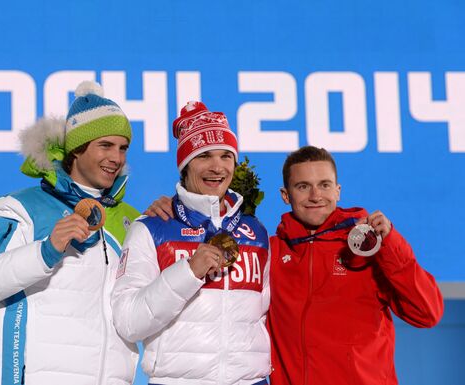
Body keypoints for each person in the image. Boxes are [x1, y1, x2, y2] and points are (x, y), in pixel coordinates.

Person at [0, 81, 140, 385]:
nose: (117, 158)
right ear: (76, 150)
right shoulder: (20, 207)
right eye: (105, 146)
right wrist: (46, 250)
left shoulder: (130, 220)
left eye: (123, 148)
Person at [111, 101, 271, 385]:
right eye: (204, 156)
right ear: (185, 166)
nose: (217, 167)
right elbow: (128, 322)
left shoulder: (256, 233)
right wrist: (188, 272)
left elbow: (266, 319)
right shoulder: (152, 229)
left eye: (225, 156)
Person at [267, 145, 444, 385]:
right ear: (285, 195)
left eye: (325, 185)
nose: (315, 195)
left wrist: (390, 244)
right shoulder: (271, 253)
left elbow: (427, 313)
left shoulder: (369, 247)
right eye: (303, 186)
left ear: (338, 191)